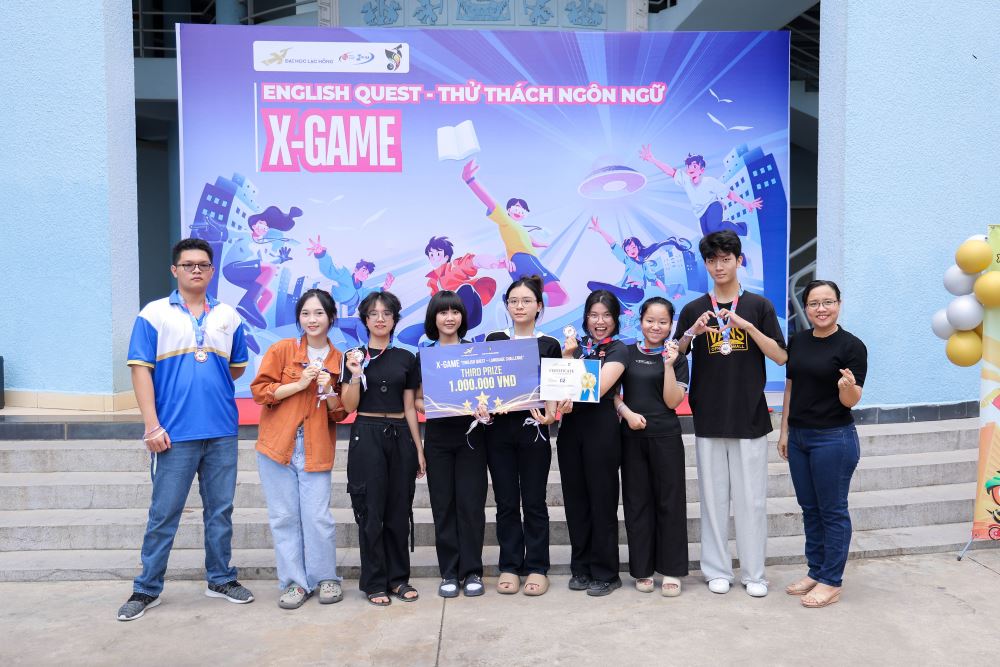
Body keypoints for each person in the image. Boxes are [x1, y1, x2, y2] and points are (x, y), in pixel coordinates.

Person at [118, 238, 253, 621]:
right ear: (174, 270)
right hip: (172, 434)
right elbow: (140, 370)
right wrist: (151, 424)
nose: (196, 269)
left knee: (220, 511)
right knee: (164, 514)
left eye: (203, 264)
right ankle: (147, 588)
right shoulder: (154, 314)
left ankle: (220, 579)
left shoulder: (228, 315)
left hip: (221, 430)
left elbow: (236, 366)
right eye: (188, 264)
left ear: (212, 271)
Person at [674, 230, 787, 598]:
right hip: (708, 415)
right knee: (713, 499)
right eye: (712, 260)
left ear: (739, 260)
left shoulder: (758, 306)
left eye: (726, 259)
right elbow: (674, 354)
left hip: (749, 416)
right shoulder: (694, 309)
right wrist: (691, 333)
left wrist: (747, 327)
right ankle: (717, 569)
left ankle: (754, 573)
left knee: (752, 500)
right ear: (706, 264)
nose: (719, 266)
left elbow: (780, 356)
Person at [249, 288, 348, 609]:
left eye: (319, 313)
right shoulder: (282, 350)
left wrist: (328, 389)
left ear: (331, 318)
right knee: (284, 517)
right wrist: (299, 384)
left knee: (318, 517)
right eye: (306, 313)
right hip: (277, 446)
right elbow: (261, 392)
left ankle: (326, 578)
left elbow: (340, 413)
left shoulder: (339, 360)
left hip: (316, 446)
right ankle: (294, 583)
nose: (312, 319)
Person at [778, 280, 867, 609]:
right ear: (806, 307)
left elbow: (852, 400)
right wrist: (785, 431)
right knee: (810, 509)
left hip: (833, 439)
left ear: (839, 304)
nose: (821, 309)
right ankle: (816, 571)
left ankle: (831, 580)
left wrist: (847, 386)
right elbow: (791, 388)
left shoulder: (852, 346)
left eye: (828, 302)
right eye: (814, 303)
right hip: (800, 437)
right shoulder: (799, 341)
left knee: (832, 510)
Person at [339, 291, 426, 606]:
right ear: (365, 319)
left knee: (399, 510)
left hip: (400, 434)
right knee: (371, 510)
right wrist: (354, 374)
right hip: (367, 433)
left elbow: (409, 407)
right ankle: (374, 581)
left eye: (386, 313)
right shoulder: (353, 356)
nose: (380, 319)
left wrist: (418, 449)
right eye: (373, 313)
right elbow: (349, 406)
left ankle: (398, 579)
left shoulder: (407, 357)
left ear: (394, 319)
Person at [484, 276, 567, 596]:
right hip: (498, 433)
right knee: (505, 502)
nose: (519, 306)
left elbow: (554, 388)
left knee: (534, 502)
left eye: (526, 301)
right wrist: (484, 408)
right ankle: (509, 565)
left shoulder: (549, 344)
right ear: (507, 306)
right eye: (514, 301)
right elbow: (486, 383)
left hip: (534, 431)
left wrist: (551, 416)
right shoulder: (494, 339)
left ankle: (537, 566)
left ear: (539, 306)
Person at [414, 291, 490, 598]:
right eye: (443, 312)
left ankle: (472, 571)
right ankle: (449, 570)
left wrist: (484, 408)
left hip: (472, 438)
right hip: (439, 440)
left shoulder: (476, 353)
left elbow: (489, 394)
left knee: (471, 505)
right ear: (433, 318)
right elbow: (417, 400)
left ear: (462, 317)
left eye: (455, 312)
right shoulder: (425, 356)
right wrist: (438, 407)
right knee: (443, 505)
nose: (449, 318)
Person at [614, 297, 690, 596]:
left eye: (662, 322)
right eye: (650, 320)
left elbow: (673, 401)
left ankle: (671, 570)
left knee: (670, 503)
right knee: (636, 504)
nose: (655, 327)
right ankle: (642, 569)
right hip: (631, 437)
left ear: (671, 325)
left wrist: (669, 365)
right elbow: (612, 393)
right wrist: (627, 413)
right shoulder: (626, 353)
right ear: (640, 321)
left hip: (666, 437)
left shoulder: (678, 358)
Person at [558, 289, 628, 596]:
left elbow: (597, 388)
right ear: (585, 318)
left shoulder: (618, 350)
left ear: (615, 319)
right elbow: (557, 384)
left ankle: (606, 572)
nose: (600, 322)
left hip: (602, 430)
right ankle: (581, 568)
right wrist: (566, 357)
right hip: (570, 430)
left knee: (602, 501)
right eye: (593, 315)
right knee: (576, 502)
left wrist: (568, 369)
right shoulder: (574, 347)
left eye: (606, 316)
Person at [461, 158, 569, 306]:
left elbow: (529, 240)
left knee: (531, 299)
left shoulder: (520, 229)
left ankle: (514, 300)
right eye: (515, 208)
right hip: (526, 260)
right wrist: (470, 180)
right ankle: (516, 299)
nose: (519, 211)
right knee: (561, 296)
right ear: (508, 211)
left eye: (523, 210)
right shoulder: (506, 221)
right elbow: (490, 202)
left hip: (517, 265)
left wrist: (540, 244)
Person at [639, 145, 762, 237]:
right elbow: (669, 171)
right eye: (688, 167)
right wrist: (652, 159)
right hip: (701, 213)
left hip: (713, 206)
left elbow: (728, 194)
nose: (690, 169)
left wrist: (746, 203)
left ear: (701, 170)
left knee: (713, 227)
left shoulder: (709, 182)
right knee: (709, 238)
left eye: (694, 166)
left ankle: (742, 228)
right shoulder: (685, 180)